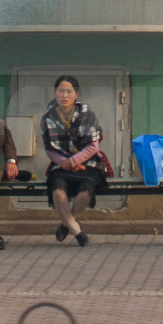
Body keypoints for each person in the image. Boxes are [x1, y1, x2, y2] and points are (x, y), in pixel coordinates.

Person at [41, 74, 105, 247]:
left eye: (69, 91)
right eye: (61, 91)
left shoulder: (87, 114)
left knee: (86, 190)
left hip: (89, 163)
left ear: (76, 94)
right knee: (57, 189)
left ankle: (66, 223)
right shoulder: (48, 118)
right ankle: (77, 230)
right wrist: (64, 162)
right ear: (55, 92)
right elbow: (48, 148)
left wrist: (74, 162)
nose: (64, 95)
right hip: (61, 163)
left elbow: (93, 146)